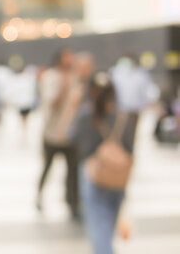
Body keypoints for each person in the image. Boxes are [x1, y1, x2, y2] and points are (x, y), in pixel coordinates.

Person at [73, 72, 137, 254]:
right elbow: (130, 147)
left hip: (93, 175)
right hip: (119, 178)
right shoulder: (123, 116)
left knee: (98, 226)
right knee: (108, 224)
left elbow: (73, 139)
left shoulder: (86, 115)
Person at [37, 49, 87, 217]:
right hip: (51, 132)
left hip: (70, 133)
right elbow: (52, 102)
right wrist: (64, 86)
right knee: (47, 167)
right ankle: (39, 195)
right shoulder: (50, 76)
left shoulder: (75, 77)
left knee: (73, 172)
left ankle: (72, 202)